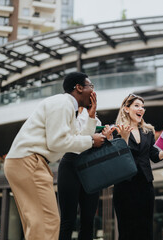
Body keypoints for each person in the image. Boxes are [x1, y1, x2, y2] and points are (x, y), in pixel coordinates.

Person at [4, 72, 105, 240]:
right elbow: (57, 142)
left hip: (25, 161)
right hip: (30, 162)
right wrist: (91, 141)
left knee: (37, 222)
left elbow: (75, 142)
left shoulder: (66, 106)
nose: (93, 93)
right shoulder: (63, 103)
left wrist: (91, 117)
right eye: (91, 87)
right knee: (49, 221)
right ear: (79, 88)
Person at [58, 81, 113, 240]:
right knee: (67, 220)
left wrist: (106, 138)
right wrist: (90, 118)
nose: (92, 94)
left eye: (94, 90)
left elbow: (95, 145)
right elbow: (77, 141)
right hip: (70, 165)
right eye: (90, 89)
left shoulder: (97, 120)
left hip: (90, 169)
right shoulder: (69, 113)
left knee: (88, 221)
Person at [113, 94, 163, 240]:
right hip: (124, 185)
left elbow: (155, 157)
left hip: (145, 184)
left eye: (142, 107)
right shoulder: (116, 130)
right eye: (137, 105)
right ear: (126, 109)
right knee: (126, 229)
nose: (141, 109)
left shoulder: (148, 131)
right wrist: (124, 137)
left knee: (146, 227)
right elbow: (117, 158)